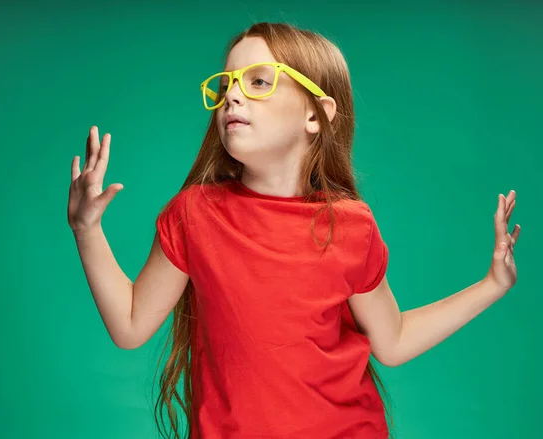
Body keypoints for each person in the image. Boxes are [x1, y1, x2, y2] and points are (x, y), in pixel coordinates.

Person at [67, 22, 521, 439]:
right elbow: (130, 326)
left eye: (259, 81)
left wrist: (492, 285)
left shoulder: (351, 226)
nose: (233, 97)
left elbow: (394, 339)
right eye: (225, 85)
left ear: (315, 115)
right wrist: (87, 229)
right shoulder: (194, 214)